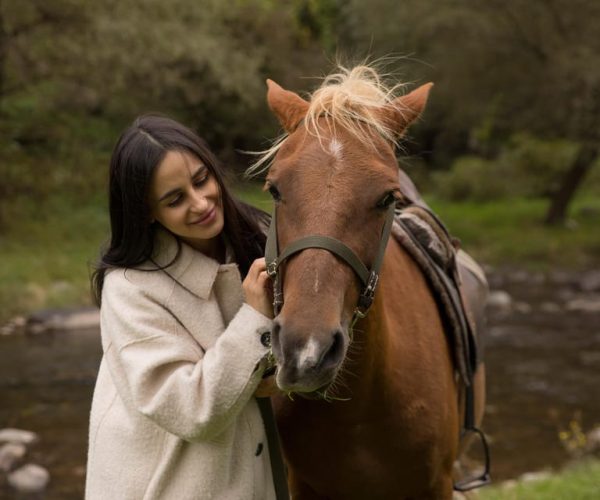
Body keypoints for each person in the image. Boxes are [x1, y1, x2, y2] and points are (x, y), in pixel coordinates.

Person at [86, 115, 281, 499]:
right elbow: (190, 409)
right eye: (174, 199)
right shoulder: (129, 288)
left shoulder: (258, 238)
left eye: (201, 179)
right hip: (161, 487)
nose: (201, 202)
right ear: (147, 213)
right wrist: (255, 318)